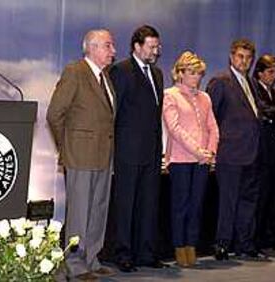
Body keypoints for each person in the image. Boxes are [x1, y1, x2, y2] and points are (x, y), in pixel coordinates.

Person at [46, 29, 116, 280]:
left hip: (103, 156)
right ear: (92, 47)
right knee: (79, 213)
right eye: (108, 46)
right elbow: (54, 114)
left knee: (98, 209)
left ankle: (92, 258)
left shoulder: (105, 77)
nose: (113, 51)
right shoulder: (75, 72)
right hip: (80, 156)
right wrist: (68, 147)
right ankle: (75, 265)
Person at [108, 24, 168, 272]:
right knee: (126, 205)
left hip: (151, 151)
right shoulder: (120, 70)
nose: (157, 50)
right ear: (137, 46)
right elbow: (114, 112)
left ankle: (146, 253)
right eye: (152, 46)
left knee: (148, 204)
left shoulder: (157, 74)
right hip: (128, 151)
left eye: (157, 46)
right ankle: (123, 254)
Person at [206, 39, 265, 261]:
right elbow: (210, 117)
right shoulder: (220, 81)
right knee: (228, 201)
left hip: (252, 152)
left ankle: (245, 244)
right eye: (240, 56)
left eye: (249, 58)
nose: (245, 61)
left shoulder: (250, 83)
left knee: (248, 201)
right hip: (230, 153)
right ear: (232, 57)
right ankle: (222, 244)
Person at [163, 51, 219, 267]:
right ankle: (179, 246)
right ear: (179, 73)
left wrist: (210, 152)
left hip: (202, 161)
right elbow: (174, 128)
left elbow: (213, 128)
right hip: (180, 159)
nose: (196, 77)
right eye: (192, 73)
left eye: (199, 74)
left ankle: (191, 245)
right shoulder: (171, 95)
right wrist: (198, 151)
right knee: (181, 205)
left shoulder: (205, 98)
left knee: (196, 205)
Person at [252, 54, 275, 251]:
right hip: (262, 153)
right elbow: (264, 110)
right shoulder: (256, 91)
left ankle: (271, 235)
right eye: (271, 72)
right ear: (260, 73)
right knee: (261, 198)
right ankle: (258, 236)